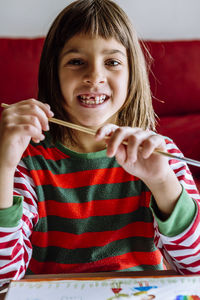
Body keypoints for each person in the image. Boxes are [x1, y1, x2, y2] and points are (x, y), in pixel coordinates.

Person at [0, 0, 199, 287]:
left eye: (112, 62)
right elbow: (5, 280)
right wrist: (4, 166)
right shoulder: (26, 160)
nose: (94, 76)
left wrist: (162, 181)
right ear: (53, 74)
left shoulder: (157, 153)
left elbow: (195, 269)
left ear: (133, 75)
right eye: (76, 61)